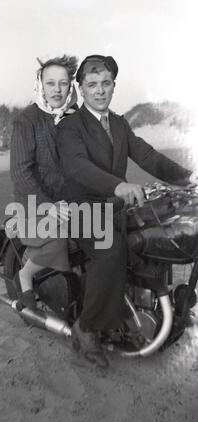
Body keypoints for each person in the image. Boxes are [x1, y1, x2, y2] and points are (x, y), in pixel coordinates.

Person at [56, 54, 196, 368]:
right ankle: (87, 328)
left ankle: (159, 306)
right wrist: (118, 186)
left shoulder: (118, 123)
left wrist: (188, 178)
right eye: (91, 84)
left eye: (106, 83)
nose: (99, 90)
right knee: (111, 249)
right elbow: (77, 166)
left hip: (114, 205)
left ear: (114, 86)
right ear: (80, 88)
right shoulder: (70, 127)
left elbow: (146, 155)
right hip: (81, 208)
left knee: (153, 233)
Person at [10, 55, 78, 310]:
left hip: (68, 198)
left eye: (63, 83)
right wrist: (48, 205)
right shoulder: (26, 120)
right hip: (34, 203)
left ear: (70, 85)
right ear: (41, 85)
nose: (57, 90)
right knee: (58, 237)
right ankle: (26, 274)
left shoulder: (75, 116)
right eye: (51, 83)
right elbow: (20, 172)